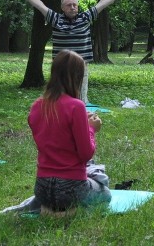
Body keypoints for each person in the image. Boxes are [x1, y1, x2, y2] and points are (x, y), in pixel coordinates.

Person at [13, 0, 132, 105]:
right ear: (62, 8)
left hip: (81, 65)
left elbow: (102, 3)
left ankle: (80, 115)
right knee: (60, 97)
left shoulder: (85, 17)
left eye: (75, 5)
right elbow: (40, 5)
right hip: (61, 67)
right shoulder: (55, 19)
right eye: (69, 5)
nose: (72, 7)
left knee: (80, 98)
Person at [28, 50, 111, 216]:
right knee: (105, 194)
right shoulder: (76, 106)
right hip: (72, 187)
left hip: (42, 188)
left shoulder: (37, 105)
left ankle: (48, 209)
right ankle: (71, 212)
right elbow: (86, 154)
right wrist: (91, 128)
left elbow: (53, 134)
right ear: (77, 77)